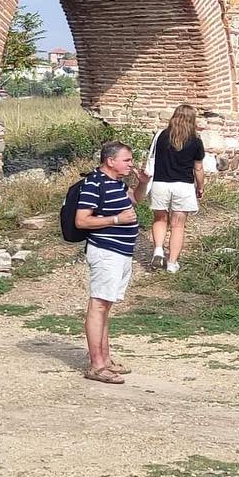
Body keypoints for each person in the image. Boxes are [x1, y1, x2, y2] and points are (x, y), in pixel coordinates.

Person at [76, 140, 148, 385]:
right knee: (98, 305)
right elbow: (82, 221)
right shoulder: (94, 184)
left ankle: (105, 359)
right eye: (126, 160)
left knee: (106, 305)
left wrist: (142, 183)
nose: (131, 164)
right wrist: (117, 220)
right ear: (110, 161)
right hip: (106, 252)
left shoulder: (116, 183)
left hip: (121, 252)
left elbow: (135, 200)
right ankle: (96, 366)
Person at [147, 103, 205, 273]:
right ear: (192, 120)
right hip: (183, 186)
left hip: (160, 183)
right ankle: (172, 263)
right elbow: (198, 168)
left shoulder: (161, 136)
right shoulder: (195, 141)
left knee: (159, 219)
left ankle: (158, 250)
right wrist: (200, 187)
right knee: (178, 225)